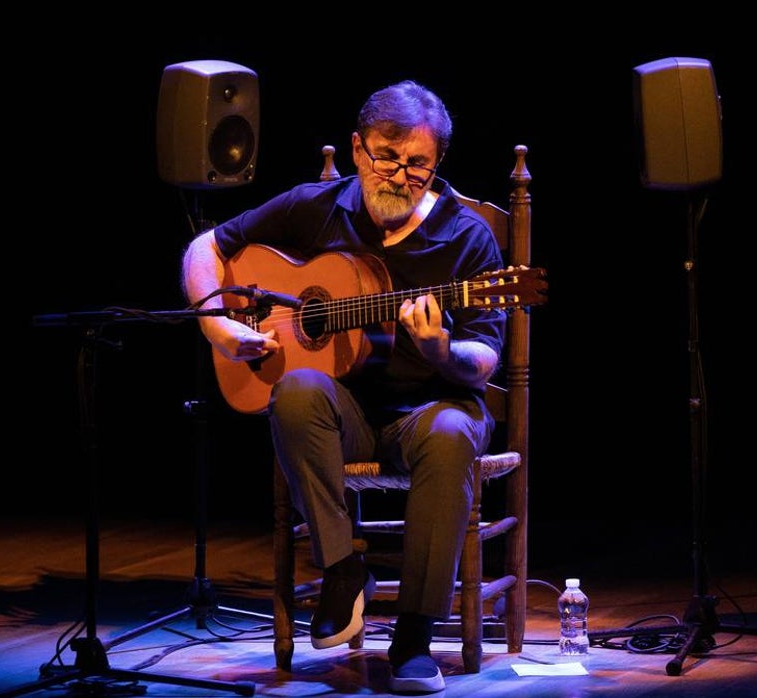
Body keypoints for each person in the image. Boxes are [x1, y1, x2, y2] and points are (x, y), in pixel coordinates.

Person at [180, 79, 505, 694]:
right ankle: (341, 566)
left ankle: (413, 637)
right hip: (347, 411)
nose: (400, 175)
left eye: (419, 165)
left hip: (430, 410)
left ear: (436, 167)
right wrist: (217, 326)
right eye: (387, 156)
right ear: (357, 150)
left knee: (455, 428)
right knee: (296, 388)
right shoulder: (316, 206)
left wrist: (442, 348)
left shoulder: (468, 238)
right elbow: (207, 246)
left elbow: (485, 358)